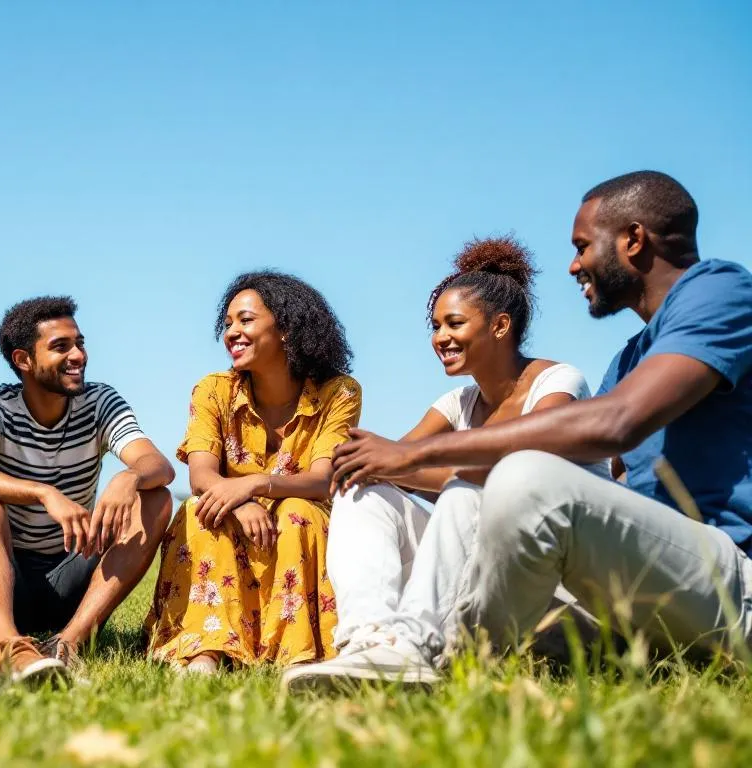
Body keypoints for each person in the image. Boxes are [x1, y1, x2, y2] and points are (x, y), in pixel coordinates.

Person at [291, 170, 752, 687]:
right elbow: (617, 478)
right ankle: (382, 650)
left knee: (521, 476)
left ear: (633, 240)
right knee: (439, 496)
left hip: (726, 582)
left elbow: (618, 422)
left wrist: (415, 456)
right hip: (633, 601)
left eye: (582, 246)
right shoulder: (628, 362)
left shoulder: (721, 290)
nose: (574, 265)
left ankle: (448, 656)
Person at [280, 237, 607, 690]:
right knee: (364, 493)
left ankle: (413, 643)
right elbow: (387, 463)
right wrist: (369, 461)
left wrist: (401, 462)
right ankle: (369, 641)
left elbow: (518, 469)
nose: (440, 338)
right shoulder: (457, 403)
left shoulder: (557, 382)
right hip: (484, 582)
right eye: (435, 326)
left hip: (557, 585)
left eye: (454, 323)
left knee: (465, 488)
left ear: (500, 326)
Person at [0, 296, 174, 683]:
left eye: (80, 343)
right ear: (23, 360)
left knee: (156, 497)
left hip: (73, 572)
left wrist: (129, 477)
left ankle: (69, 642)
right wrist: (44, 493)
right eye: (60, 347)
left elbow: (158, 465)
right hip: (5, 578)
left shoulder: (100, 401)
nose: (78, 356)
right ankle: (6, 647)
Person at [145, 271, 360, 674]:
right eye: (227, 324)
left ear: (286, 329)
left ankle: (292, 650)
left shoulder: (339, 392)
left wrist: (255, 483)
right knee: (202, 510)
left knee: (298, 510)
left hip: (300, 520)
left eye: (245, 320)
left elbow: (321, 480)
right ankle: (206, 650)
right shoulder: (212, 390)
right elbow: (201, 476)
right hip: (231, 517)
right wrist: (239, 501)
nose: (232, 333)